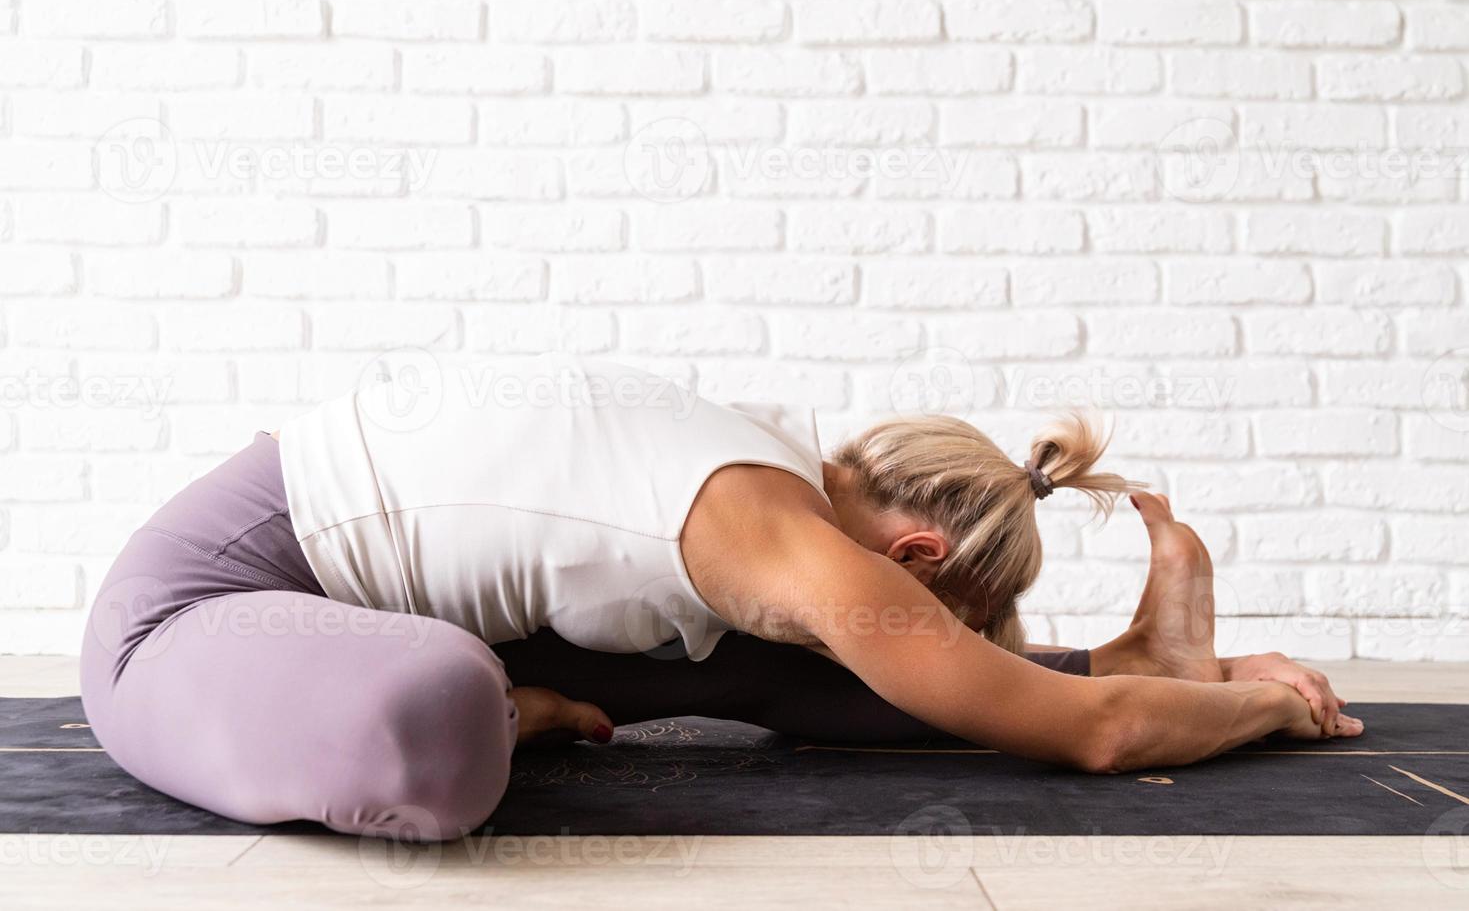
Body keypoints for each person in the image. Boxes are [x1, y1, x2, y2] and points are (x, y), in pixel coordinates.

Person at [79, 354, 1360, 841]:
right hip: (197, 622)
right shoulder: (788, 539)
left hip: (356, 597)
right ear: (913, 562)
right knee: (440, 719)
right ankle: (509, 705)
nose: (927, 636)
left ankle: (1147, 649)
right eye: (948, 621)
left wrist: (1157, 671)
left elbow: (1008, 701)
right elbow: (1097, 743)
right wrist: (1260, 714)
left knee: (772, 673)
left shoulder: (770, 456)